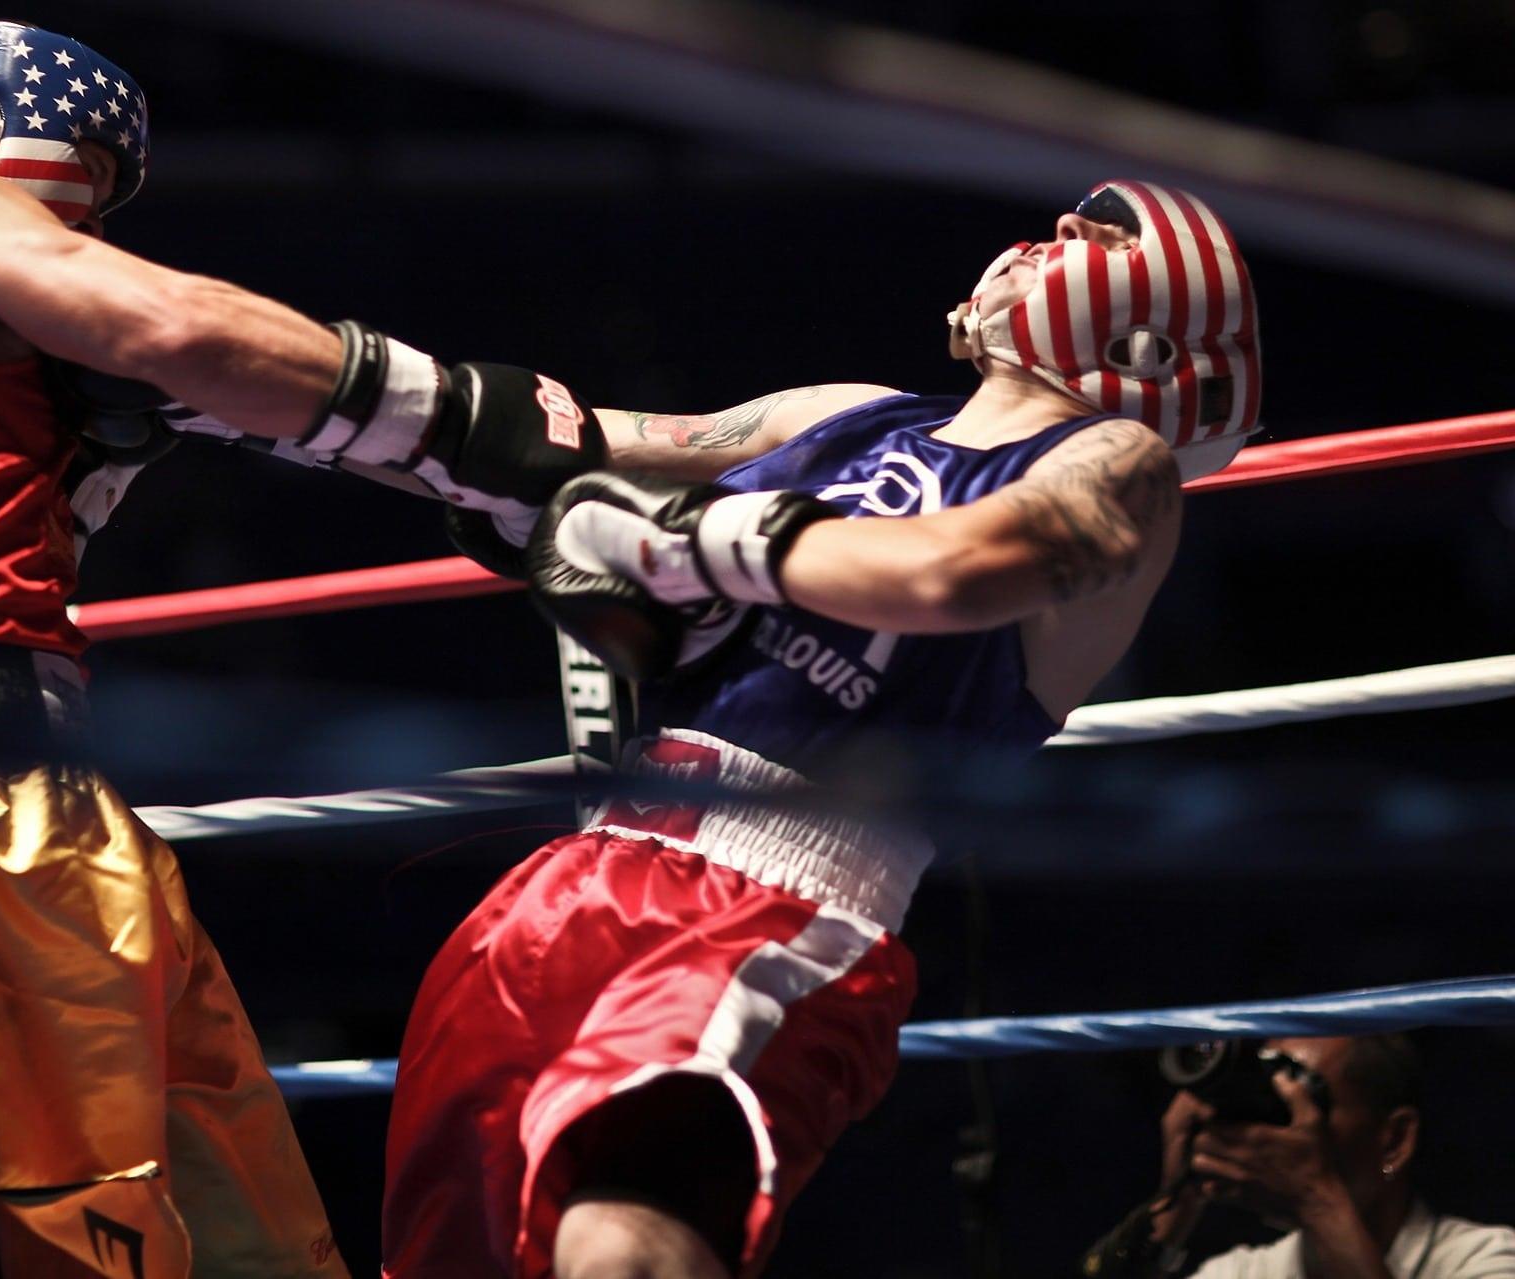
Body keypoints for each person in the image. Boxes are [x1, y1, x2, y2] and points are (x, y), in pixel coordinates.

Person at [0, 20, 609, 1276]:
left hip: (51, 809)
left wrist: (592, 472)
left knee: (247, 1234)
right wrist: (458, 420)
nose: (82, 235)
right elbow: (178, 324)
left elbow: (305, 402)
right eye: (87, 182)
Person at [381, 179, 1263, 1279]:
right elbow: (553, 445)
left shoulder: (1119, 466)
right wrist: (397, 428)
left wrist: (688, 542)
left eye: (1083, 242)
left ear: (1146, 330)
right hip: (579, 872)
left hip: (785, 904)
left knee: (624, 1244)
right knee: (450, 1252)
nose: (1039, 246)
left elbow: (959, 570)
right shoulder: (846, 411)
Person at [1140, 1035, 1515, 1278]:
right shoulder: (1244, 1273)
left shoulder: (1486, 1259)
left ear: (1395, 1139)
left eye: (1307, 1104)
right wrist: (1175, 1201)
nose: (1278, 1133)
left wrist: (1316, 1199)